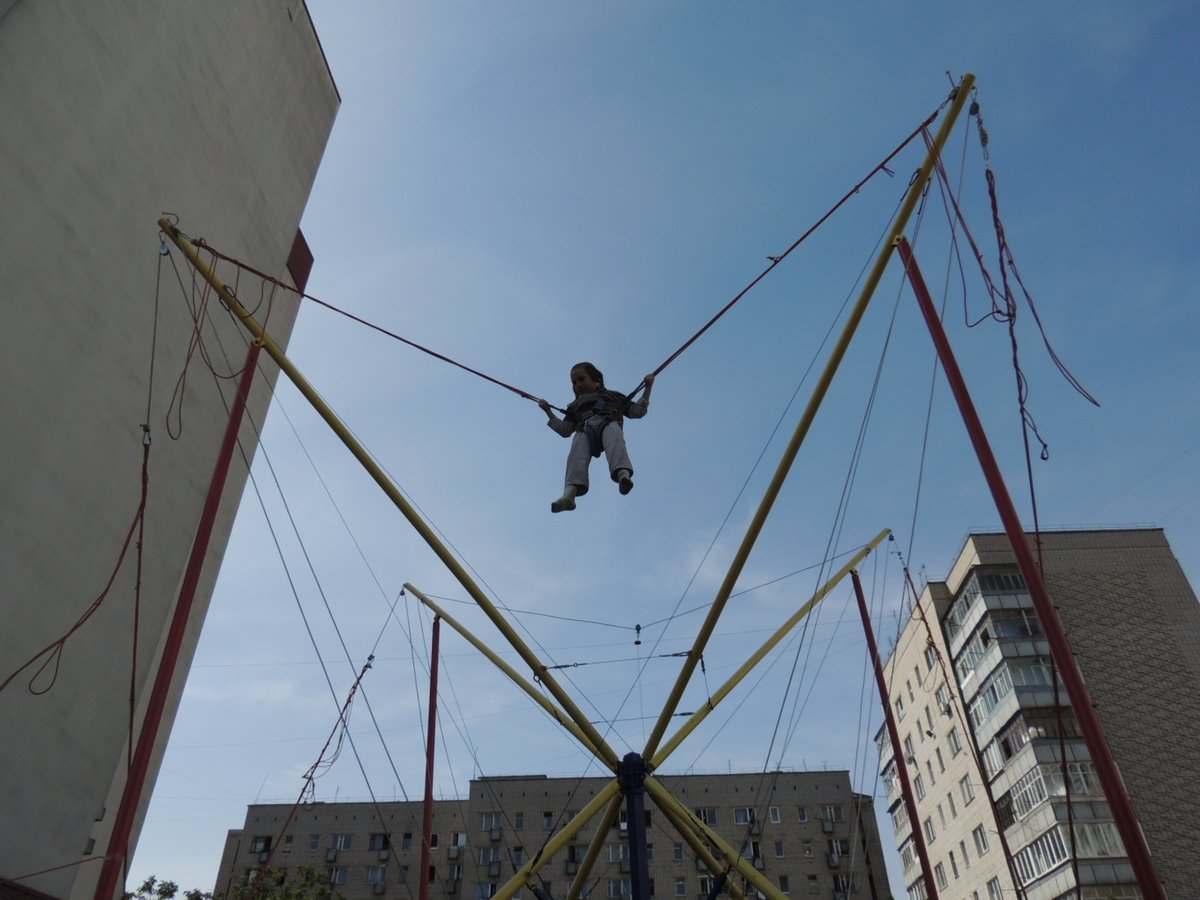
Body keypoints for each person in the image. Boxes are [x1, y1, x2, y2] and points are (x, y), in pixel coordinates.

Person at [538, 362, 655, 513]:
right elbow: (565, 431)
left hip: (608, 422)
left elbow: (637, 411)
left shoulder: (613, 396)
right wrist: (548, 411)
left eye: (581, 379)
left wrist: (648, 387)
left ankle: (623, 475)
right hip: (584, 429)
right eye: (574, 382)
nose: (578, 384)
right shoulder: (574, 406)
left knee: (614, 438)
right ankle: (569, 494)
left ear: (596, 379)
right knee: (576, 455)